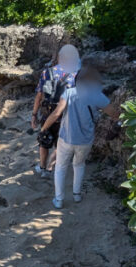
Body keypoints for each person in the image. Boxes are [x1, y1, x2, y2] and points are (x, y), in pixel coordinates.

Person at [41, 60, 111, 208]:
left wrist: (44, 128)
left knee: (60, 167)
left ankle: (59, 200)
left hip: (66, 138)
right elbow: (115, 113)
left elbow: (56, 114)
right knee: (79, 165)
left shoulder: (69, 93)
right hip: (85, 140)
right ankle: (77, 195)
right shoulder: (97, 95)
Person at [32, 45, 79, 178]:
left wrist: (34, 114)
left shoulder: (47, 73)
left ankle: (41, 167)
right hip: (66, 113)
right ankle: (50, 168)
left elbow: (39, 95)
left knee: (44, 138)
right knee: (61, 143)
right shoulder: (75, 75)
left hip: (47, 112)